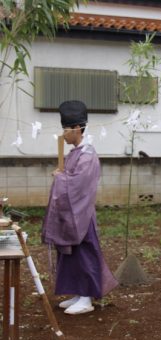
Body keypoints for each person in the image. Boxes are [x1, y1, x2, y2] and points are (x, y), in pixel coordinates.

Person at [42, 100, 118, 315]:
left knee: (84, 254)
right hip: (72, 214)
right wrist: (62, 176)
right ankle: (77, 292)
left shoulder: (87, 155)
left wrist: (60, 178)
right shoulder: (76, 152)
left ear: (77, 129)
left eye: (66, 130)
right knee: (70, 254)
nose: (64, 134)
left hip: (81, 215)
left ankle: (86, 298)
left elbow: (79, 185)